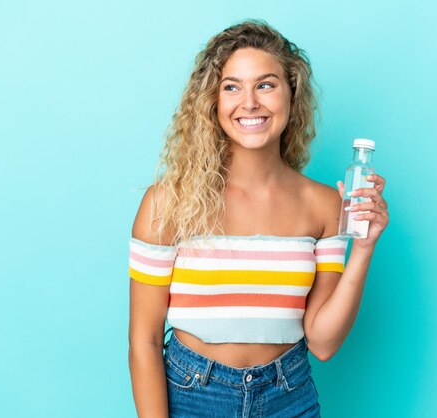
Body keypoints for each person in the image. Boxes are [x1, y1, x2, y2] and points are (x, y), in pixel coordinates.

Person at [128, 19, 389, 418]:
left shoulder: (322, 205)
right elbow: (144, 342)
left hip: (290, 396)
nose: (249, 102)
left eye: (265, 84)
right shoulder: (168, 203)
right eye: (232, 86)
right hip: (192, 397)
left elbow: (322, 342)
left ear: (291, 93)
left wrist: (364, 249)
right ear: (212, 101)